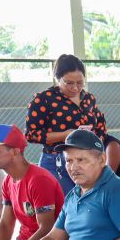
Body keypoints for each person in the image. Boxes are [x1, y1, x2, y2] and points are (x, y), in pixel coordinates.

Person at [25, 54, 108, 194]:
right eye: (69, 83)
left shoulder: (88, 98)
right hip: (56, 161)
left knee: (87, 204)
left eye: (80, 82)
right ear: (58, 79)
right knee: (62, 206)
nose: (75, 88)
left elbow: (100, 124)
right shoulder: (44, 99)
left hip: (87, 161)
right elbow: (32, 134)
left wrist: (96, 143)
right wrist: (65, 135)